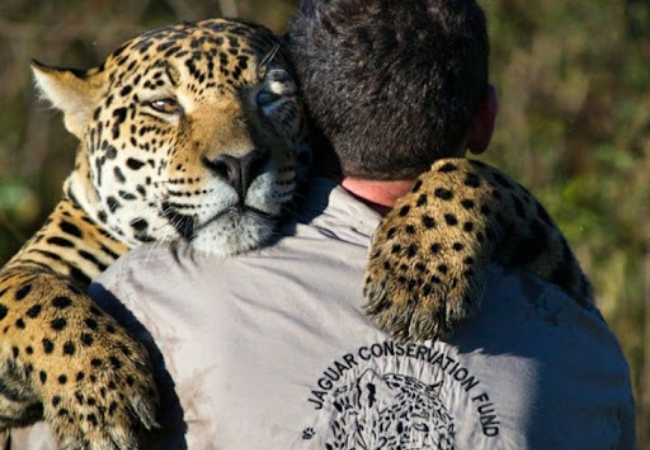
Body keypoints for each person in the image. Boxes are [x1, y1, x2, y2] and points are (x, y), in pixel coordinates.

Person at [12, 0, 636, 448]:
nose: (233, 147)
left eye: (269, 100)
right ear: (86, 119)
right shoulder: (78, 273)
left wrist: (465, 190)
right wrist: (68, 354)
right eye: (161, 108)